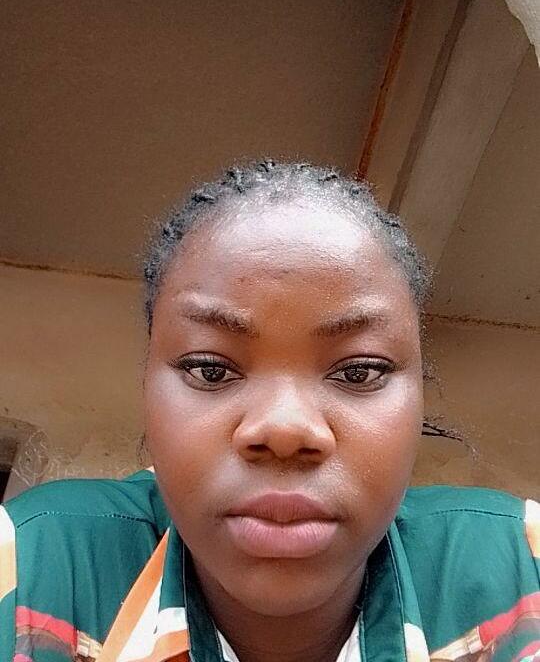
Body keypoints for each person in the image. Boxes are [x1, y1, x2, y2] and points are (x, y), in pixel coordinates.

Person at [0, 160, 538, 662]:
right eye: (211, 370)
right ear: (146, 392)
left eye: (358, 371)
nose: (285, 429)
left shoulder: (524, 572)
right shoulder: (29, 568)